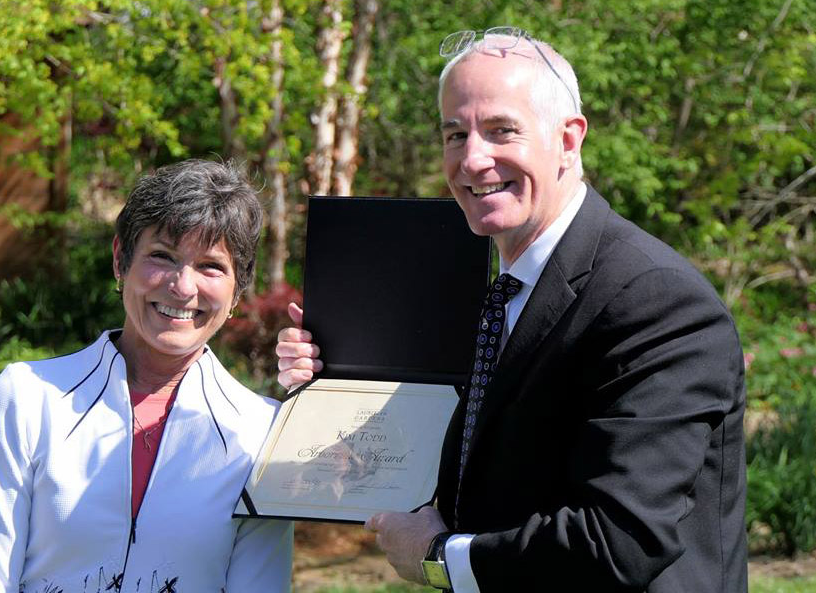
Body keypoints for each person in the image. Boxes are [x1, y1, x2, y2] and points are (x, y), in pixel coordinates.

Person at [276, 27, 747, 592]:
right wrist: (326, 386)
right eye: (455, 134)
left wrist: (438, 555)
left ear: (568, 140)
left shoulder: (655, 301)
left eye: (502, 131)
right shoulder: (494, 293)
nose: (473, 160)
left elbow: (619, 541)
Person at [0, 160, 293, 592]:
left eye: (211, 266)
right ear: (121, 261)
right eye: (162, 256)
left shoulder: (263, 433)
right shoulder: (27, 398)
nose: (183, 286)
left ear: (237, 290)